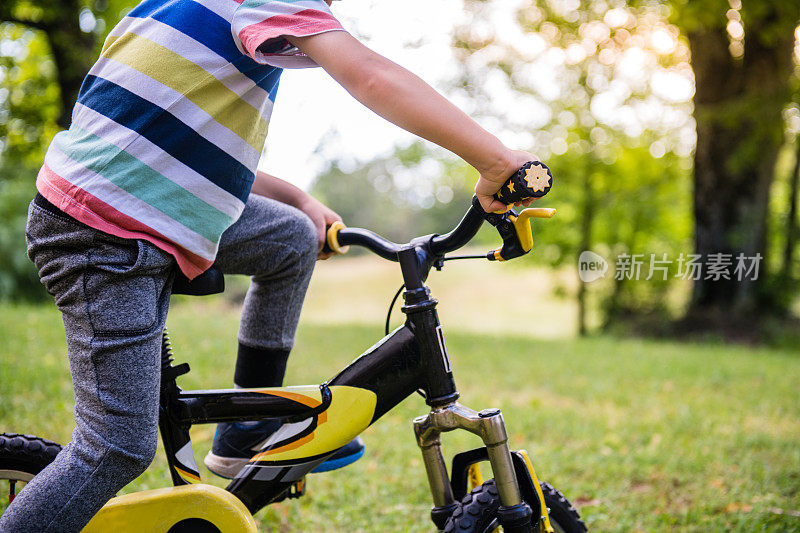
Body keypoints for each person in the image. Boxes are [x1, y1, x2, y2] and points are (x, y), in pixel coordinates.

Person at [0, 0, 537, 531]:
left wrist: (300, 201)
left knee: (289, 238)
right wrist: (497, 161)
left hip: (143, 204)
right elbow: (370, 76)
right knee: (115, 448)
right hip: (105, 231)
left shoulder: (177, 8)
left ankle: (247, 434)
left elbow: (179, 150)